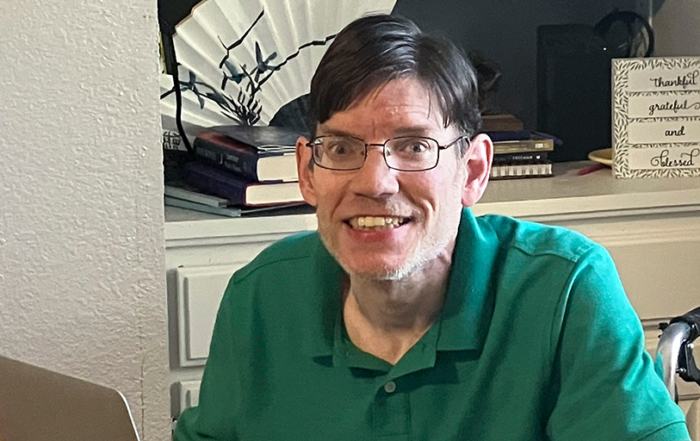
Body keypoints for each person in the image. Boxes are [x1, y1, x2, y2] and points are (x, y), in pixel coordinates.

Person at [174, 14, 689, 441]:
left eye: (414, 147)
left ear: (472, 171)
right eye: (342, 148)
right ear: (308, 171)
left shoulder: (565, 290)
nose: (375, 182)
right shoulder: (260, 296)